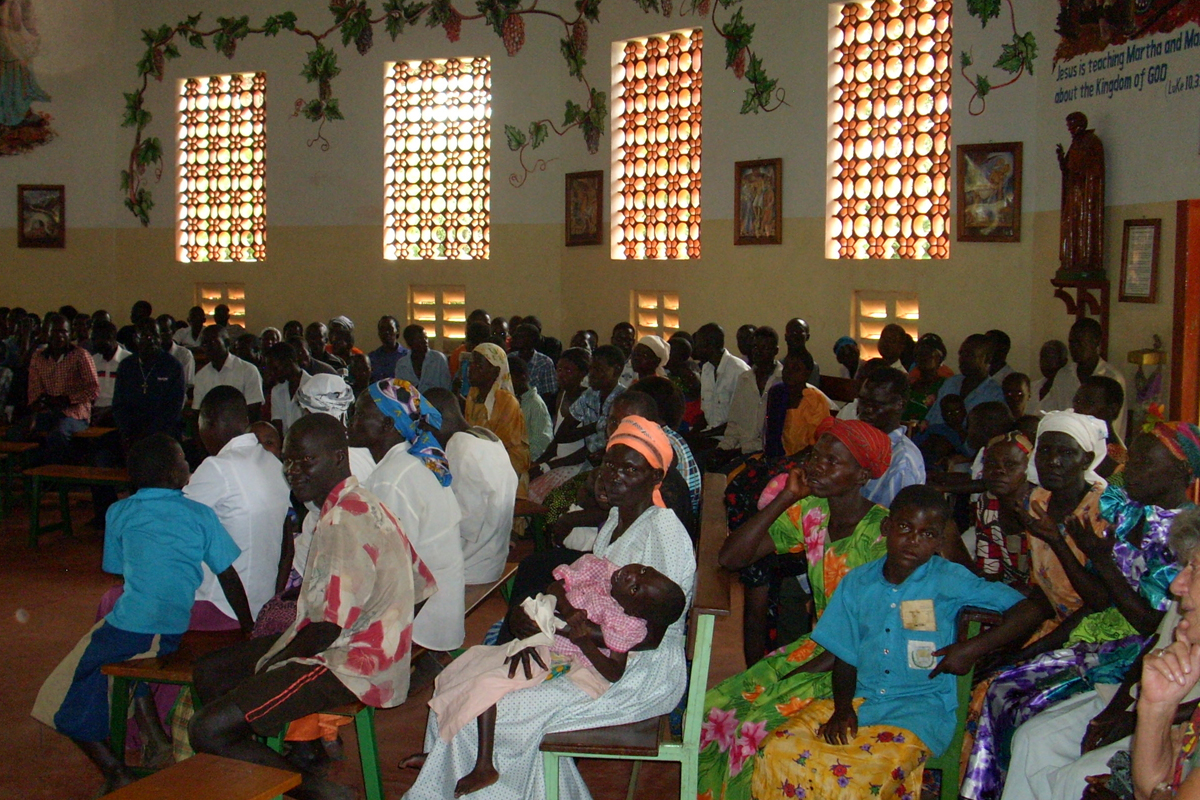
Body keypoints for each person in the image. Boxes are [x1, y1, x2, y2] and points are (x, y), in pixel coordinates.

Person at [404, 415, 696, 800]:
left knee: (501, 714)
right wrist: (538, 620)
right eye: (610, 464)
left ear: (655, 478)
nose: (615, 476)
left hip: (633, 672)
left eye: (631, 469)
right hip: (584, 648)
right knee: (462, 670)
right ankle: (441, 765)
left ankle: (476, 778)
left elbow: (651, 637)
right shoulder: (616, 520)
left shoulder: (664, 533)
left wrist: (555, 635)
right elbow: (581, 587)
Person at [188, 414, 435, 800]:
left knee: (206, 729)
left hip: (346, 663)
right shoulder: (362, 501)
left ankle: (317, 792)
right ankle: (283, 754)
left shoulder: (341, 521)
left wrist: (272, 663)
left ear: (338, 457)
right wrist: (389, 633)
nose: (293, 472)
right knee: (210, 671)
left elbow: (326, 631)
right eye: (288, 461)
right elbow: (422, 586)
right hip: (355, 646)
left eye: (305, 462)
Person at [751, 486, 1044, 800]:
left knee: (854, 778)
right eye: (905, 528)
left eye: (927, 534)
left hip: (920, 712)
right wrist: (843, 707)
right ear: (887, 528)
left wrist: (972, 648)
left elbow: (1034, 608)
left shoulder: (948, 579)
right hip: (863, 703)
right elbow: (846, 655)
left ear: (939, 542)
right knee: (776, 749)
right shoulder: (856, 582)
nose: (914, 540)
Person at [30, 434, 252, 795]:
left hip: (139, 627)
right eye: (182, 459)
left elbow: (117, 570)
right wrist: (248, 626)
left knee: (57, 694)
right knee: (103, 670)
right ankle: (147, 738)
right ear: (169, 473)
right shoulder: (199, 514)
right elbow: (228, 574)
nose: (188, 465)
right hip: (164, 627)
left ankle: (115, 770)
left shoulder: (119, 512)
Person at [1001, 419, 1200, 800]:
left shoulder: (1186, 538)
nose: (1129, 472)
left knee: (1071, 779)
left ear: (1183, 472)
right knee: (1030, 739)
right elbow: (1109, 607)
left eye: (1145, 464)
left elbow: (1147, 625)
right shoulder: (1126, 513)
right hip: (1128, 674)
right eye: (1131, 462)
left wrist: (1130, 712)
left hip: (1142, 680)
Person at [698, 418, 894, 800]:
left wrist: (791, 678)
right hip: (817, 647)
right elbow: (732, 557)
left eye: (832, 462)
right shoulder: (812, 512)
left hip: (858, 664)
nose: (817, 466)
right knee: (714, 706)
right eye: (817, 456)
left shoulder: (882, 536)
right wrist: (786, 498)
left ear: (862, 475)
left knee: (754, 724)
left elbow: (869, 634)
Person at [430, 557, 686, 797]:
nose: (632, 576)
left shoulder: (625, 624)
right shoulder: (602, 572)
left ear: (633, 610)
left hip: (559, 657)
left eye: (635, 590)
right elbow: (556, 585)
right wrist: (568, 609)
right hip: (544, 641)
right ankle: (437, 754)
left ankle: (483, 766)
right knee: (463, 666)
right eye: (643, 571)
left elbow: (614, 672)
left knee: (488, 686)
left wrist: (584, 641)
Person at [960, 411, 1116, 800]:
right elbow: (1042, 593)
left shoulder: (1100, 512)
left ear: (1087, 459)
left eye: (1067, 454)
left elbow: (1098, 603)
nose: (1053, 463)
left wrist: (1030, 651)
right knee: (983, 688)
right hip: (1058, 625)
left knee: (1003, 695)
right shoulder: (1037, 502)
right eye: (1046, 452)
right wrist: (1004, 642)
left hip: (1099, 635)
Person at [351, 379, 465, 652]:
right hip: (443, 602)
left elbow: (390, 567)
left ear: (388, 425)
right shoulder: (415, 459)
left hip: (424, 618)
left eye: (359, 415)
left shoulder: (391, 479)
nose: (350, 422)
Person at [185, 385, 292, 628]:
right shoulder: (274, 464)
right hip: (261, 603)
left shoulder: (217, 467)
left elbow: (176, 527)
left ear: (209, 423)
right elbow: (286, 544)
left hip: (220, 606)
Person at [423, 388, 518, 585]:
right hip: (493, 559)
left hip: (471, 568)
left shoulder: (460, 446)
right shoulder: (487, 437)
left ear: (433, 419)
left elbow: (465, 523)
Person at [528, 346, 624, 503]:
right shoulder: (591, 395)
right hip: (586, 467)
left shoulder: (622, 401)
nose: (591, 374)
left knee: (556, 503)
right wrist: (596, 426)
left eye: (599, 369)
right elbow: (561, 434)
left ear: (617, 370)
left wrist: (548, 466)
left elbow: (593, 451)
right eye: (591, 368)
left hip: (607, 473)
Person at [11, 312, 99, 465]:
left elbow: (92, 389)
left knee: (58, 434)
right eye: (54, 331)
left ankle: (64, 473)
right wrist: (38, 406)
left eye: (63, 332)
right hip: (48, 411)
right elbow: (34, 389)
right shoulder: (39, 357)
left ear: (70, 334)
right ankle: (31, 475)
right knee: (16, 433)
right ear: (47, 333)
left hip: (75, 413)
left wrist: (68, 399)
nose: (59, 336)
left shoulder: (81, 355)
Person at [1042, 317, 1128, 439]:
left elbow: (1116, 426)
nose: (1074, 348)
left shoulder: (1112, 378)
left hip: (1099, 447)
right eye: (1071, 342)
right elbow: (1049, 412)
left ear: (1096, 342)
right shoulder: (1063, 375)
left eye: (1080, 343)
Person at [858, 366, 926, 507]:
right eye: (863, 402)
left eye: (877, 405)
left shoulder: (902, 461)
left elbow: (892, 521)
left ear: (899, 405)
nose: (866, 410)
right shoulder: (859, 442)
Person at [112, 317, 186, 446]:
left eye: (155, 335)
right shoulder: (127, 365)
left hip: (164, 433)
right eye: (145, 335)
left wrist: (151, 432)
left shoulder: (172, 366)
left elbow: (174, 407)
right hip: (132, 432)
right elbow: (119, 404)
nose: (151, 339)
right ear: (136, 338)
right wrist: (128, 430)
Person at [972, 431, 1035, 585]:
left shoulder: (1040, 506)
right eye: (991, 463)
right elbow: (990, 567)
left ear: (1028, 468)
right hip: (1011, 588)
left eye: (1011, 464)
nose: (999, 470)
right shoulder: (987, 502)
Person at [466, 343, 530, 488]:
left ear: (495, 371)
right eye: (471, 364)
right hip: (479, 464)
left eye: (478, 366)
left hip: (507, 471)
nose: (471, 370)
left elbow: (501, 446)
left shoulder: (506, 402)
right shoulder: (473, 394)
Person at [717, 326, 781, 460]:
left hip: (766, 452)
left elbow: (775, 433)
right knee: (708, 462)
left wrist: (738, 452)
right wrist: (723, 448)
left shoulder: (782, 381)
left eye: (765, 348)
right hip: (740, 448)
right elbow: (734, 422)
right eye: (756, 347)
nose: (759, 352)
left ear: (775, 351)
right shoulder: (744, 379)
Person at [1057, 111, 1105, 278]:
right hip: (1074, 190)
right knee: (1070, 222)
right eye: (1068, 126)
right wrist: (1062, 161)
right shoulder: (1075, 144)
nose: (1070, 129)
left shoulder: (1092, 142)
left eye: (1072, 126)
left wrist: (1078, 170)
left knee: (1083, 224)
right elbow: (1069, 168)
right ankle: (1070, 260)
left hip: (1085, 193)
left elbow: (1093, 168)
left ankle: (1085, 260)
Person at [761, 349, 830, 459]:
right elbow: (770, 435)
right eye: (786, 368)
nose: (789, 372)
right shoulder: (777, 393)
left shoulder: (815, 401)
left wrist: (790, 461)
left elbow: (817, 443)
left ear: (807, 373)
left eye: (796, 369)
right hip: (774, 458)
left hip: (803, 460)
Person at [925, 334, 1005, 425]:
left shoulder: (994, 395)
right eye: (961, 354)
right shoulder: (950, 383)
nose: (962, 359)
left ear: (988, 359)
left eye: (970, 355)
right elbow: (932, 420)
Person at [192, 325, 264, 420]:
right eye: (204, 344)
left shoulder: (248, 370)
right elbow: (198, 412)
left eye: (213, 342)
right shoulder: (201, 375)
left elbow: (253, 411)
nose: (208, 347)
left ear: (227, 343)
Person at [693, 322, 751, 439]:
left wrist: (704, 435)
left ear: (709, 345)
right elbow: (707, 412)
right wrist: (694, 434)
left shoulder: (739, 371)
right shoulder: (707, 368)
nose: (695, 348)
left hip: (731, 440)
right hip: (710, 434)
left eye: (698, 344)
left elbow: (740, 420)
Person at [263, 341, 311, 438]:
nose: (272, 373)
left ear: (288, 362)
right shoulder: (277, 391)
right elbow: (278, 427)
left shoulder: (313, 386)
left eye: (275, 368)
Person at [509, 356, 552, 462]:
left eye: (508, 379)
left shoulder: (535, 404)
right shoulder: (511, 399)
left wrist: (520, 458)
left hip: (526, 461)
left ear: (522, 377)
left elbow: (542, 443)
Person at [89, 320, 129, 426]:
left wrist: (109, 411)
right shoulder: (93, 360)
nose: (93, 344)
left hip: (118, 410)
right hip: (95, 410)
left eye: (95, 339)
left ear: (110, 338)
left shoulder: (128, 360)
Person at [395, 324, 452, 393]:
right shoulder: (402, 364)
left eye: (425, 338)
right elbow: (400, 391)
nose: (425, 341)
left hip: (435, 401)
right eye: (419, 339)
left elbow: (446, 387)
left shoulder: (438, 359)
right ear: (409, 342)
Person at [509, 322, 557, 402]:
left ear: (532, 340)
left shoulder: (545, 363)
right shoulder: (510, 358)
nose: (514, 337)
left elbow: (550, 395)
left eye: (521, 336)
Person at [907, 337, 953, 419]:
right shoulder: (908, 385)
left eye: (929, 354)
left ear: (939, 358)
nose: (924, 358)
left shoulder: (947, 385)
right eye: (920, 354)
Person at [1028, 340, 1069, 416]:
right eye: (1043, 358)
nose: (1045, 363)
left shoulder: (1068, 390)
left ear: (1064, 362)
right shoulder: (1033, 387)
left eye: (1051, 358)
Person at [158, 314, 195, 387]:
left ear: (173, 331)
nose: (160, 335)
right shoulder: (151, 354)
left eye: (164, 331)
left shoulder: (184, 354)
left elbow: (187, 384)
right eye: (158, 331)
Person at [784, 317, 821, 385]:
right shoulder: (780, 364)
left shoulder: (813, 367)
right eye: (791, 331)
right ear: (786, 337)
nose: (795, 334)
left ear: (807, 337)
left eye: (799, 331)